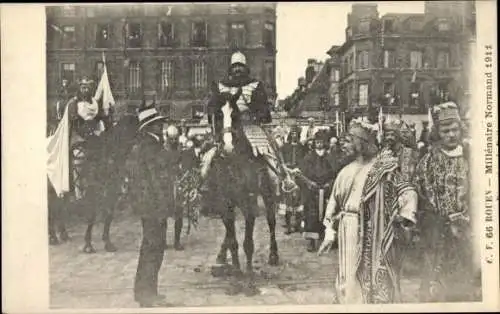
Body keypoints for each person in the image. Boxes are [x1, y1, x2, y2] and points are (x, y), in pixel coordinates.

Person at [319, 118, 417, 304]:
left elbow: (406, 190)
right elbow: (333, 203)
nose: (344, 145)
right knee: (347, 275)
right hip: (346, 229)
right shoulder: (345, 171)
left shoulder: (383, 168)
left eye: (349, 140)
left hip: (372, 231)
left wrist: (404, 215)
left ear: (362, 142)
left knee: (367, 277)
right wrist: (329, 231)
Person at [413, 102, 479, 302]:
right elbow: (421, 192)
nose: (451, 134)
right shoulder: (428, 160)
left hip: (467, 231)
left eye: (455, 129)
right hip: (437, 232)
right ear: (437, 132)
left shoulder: (472, 157)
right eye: (445, 130)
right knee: (436, 285)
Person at [129, 103, 172, 308]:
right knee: (153, 248)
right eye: (157, 124)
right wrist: (162, 206)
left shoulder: (148, 145)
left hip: (150, 205)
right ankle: (147, 295)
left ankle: (147, 292)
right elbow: (155, 179)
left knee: (152, 248)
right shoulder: (150, 147)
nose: (161, 127)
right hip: (154, 205)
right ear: (149, 128)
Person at [292, 130, 336, 252]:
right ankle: (311, 241)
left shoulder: (329, 157)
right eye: (317, 142)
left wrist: (329, 184)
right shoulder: (309, 157)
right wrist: (309, 183)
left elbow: (335, 174)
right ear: (314, 143)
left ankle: (326, 237)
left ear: (325, 143)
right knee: (311, 215)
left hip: (326, 190)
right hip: (312, 191)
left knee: (328, 214)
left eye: (321, 142)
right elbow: (301, 174)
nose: (319, 144)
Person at [281, 125, 306, 234]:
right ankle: (288, 225)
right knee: (288, 199)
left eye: (296, 133)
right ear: (290, 135)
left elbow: (305, 160)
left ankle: (298, 224)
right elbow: (281, 159)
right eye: (293, 133)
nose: (294, 135)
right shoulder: (285, 147)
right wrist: (286, 169)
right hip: (287, 175)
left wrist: (298, 169)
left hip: (299, 174)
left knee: (299, 200)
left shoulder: (302, 147)